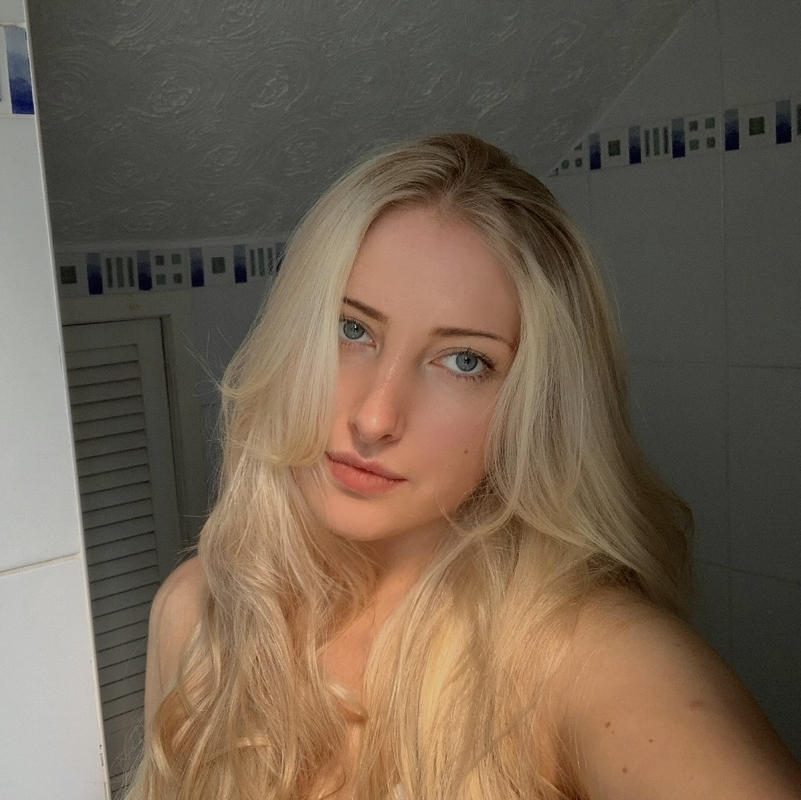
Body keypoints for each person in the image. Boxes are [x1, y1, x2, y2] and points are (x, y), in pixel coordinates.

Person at [128, 133, 801, 800]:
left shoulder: (584, 658)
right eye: (351, 328)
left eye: (464, 361)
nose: (375, 417)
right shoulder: (195, 612)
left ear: (532, 409)